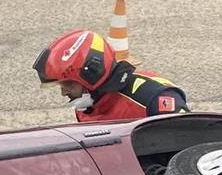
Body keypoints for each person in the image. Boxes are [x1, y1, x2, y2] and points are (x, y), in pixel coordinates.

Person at [33, 29, 187, 123]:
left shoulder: (153, 97)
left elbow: (191, 146)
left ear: (91, 74)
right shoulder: (86, 107)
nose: (64, 93)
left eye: (68, 84)